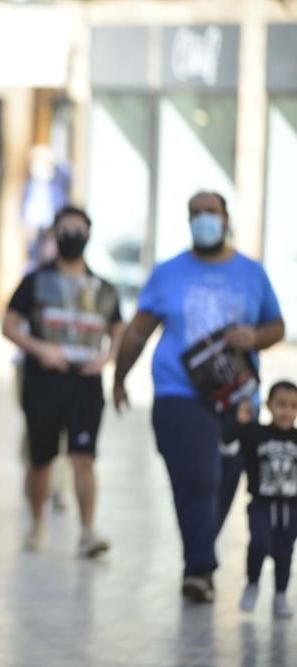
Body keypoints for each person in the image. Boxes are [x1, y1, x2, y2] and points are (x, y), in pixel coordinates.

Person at [113, 190, 285, 603]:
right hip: (180, 394)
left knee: (223, 481)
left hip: (238, 397)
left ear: (227, 218)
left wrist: (255, 336)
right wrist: (119, 378)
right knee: (200, 477)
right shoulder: (169, 272)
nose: (203, 219)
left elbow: (276, 326)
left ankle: (198, 562)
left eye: (211, 212)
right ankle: (200, 568)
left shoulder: (252, 273)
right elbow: (138, 330)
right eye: (195, 213)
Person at [3, 205, 123, 556]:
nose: (73, 234)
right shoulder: (36, 280)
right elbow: (9, 324)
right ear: (55, 234)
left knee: (83, 457)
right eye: (65, 227)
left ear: (89, 235)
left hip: (85, 383)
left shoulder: (103, 287)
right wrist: (39, 349)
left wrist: (108, 356)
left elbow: (119, 327)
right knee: (41, 460)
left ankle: (87, 531)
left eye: (79, 228)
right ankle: (37, 522)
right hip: (44, 381)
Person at [228, 381, 297, 618]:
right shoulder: (256, 433)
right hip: (261, 504)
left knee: (284, 551)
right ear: (269, 405)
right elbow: (228, 443)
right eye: (281, 405)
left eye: (293, 406)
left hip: (291, 507)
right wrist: (239, 422)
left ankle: (280, 594)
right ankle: (253, 582)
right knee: (259, 542)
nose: (286, 411)